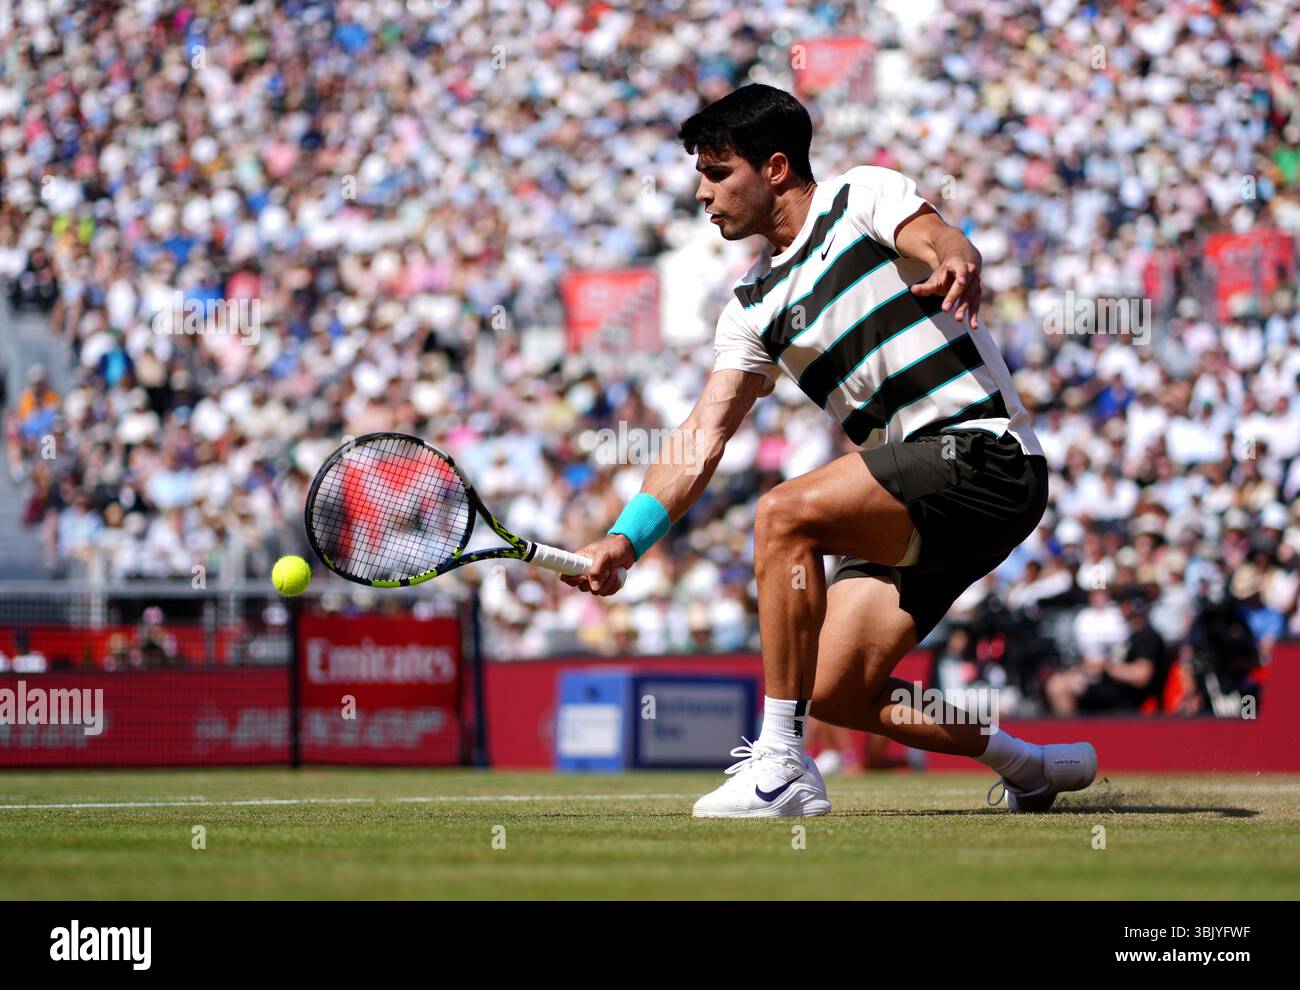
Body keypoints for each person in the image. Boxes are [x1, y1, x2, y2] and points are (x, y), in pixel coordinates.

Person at [563, 85, 1096, 816]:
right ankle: (1029, 766)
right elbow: (701, 438)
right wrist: (628, 539)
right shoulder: (750, 306)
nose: (700, 193)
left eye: (717, 173)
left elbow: (940, 238)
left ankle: (782, 763)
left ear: (776, 168)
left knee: (783, 514)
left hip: (985, 456)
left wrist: (957, 257)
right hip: (921, 490)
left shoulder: (859, 196)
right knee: (841, 687)